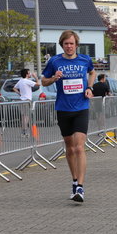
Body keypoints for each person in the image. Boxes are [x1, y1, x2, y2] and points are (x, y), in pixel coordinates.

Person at [42, 30, 96, 203]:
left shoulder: (85, 60)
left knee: (79, 147)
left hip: (81, 107)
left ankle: (80, 186)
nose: (69, 46)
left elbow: (92, 73)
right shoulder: (55, 61)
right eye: (66, 44)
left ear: (76, 44)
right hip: (63, 109)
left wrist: (89, 87)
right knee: (70, 147)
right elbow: (43, 81)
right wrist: (54, 78)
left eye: (72, 43)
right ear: (62, 45)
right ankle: (74, 181)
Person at [13, 69, 40, 135]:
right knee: (26, 116)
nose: (30, 74)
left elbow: (14, 88)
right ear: (26, 74)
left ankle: (24, 130)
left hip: (22, 100)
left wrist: (20, 94)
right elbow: (38, 84)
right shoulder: (27, 81)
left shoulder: (21, 81)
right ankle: (24, 131)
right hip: (27, 100)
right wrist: (35, 77)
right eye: (29, 73)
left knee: (23, 116)